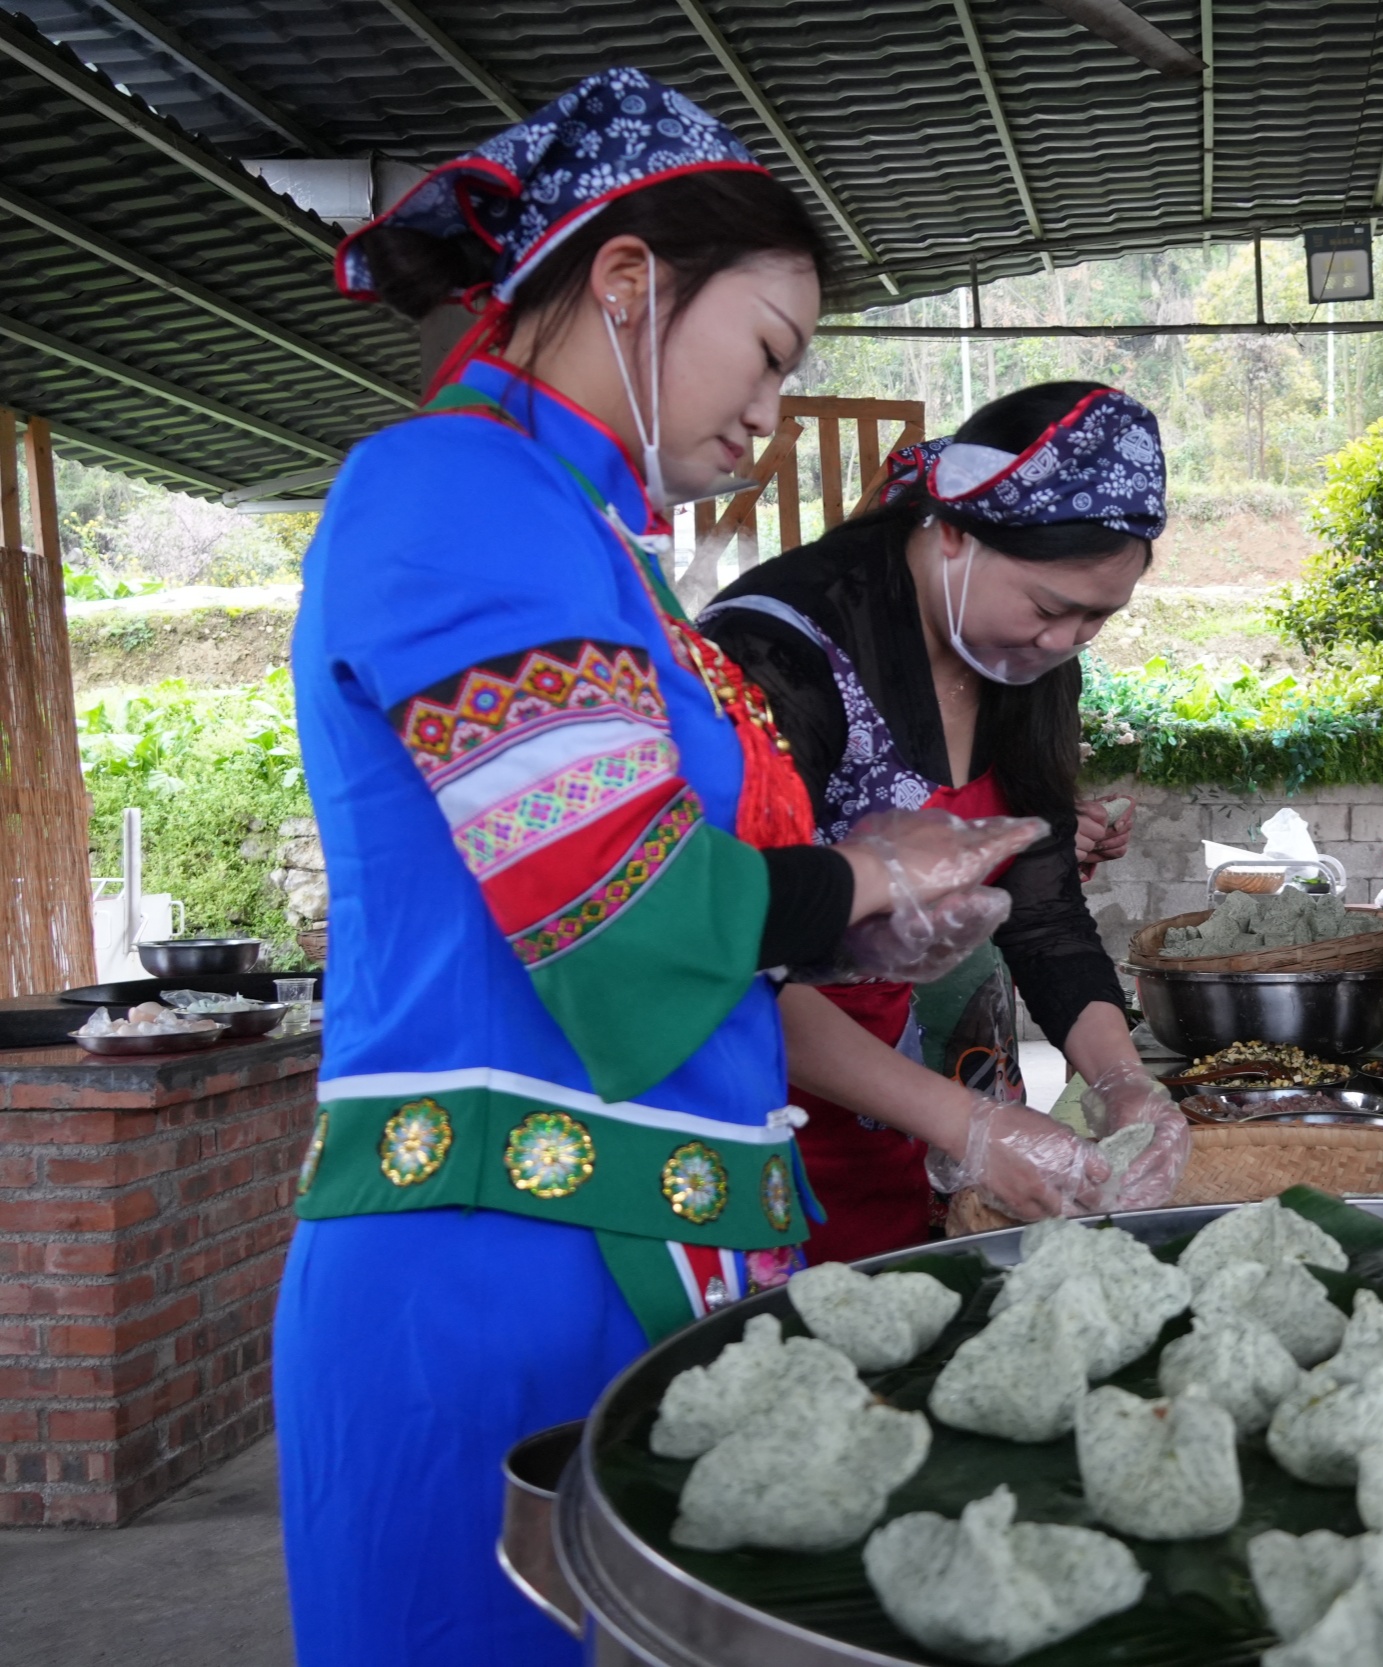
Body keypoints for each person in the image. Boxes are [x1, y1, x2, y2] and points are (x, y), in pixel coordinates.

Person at [277, 71, 1125, 1666]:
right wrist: (866, 878)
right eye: (768, 351)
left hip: (631, 1271)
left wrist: (867, 919)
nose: (770, 412)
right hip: (498, 1279)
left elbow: (688, 912)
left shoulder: (595, 550)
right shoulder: (454, 491)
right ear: (627, 281)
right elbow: (621, 920)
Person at [701, 380, 1188, 1262]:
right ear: (955, 531)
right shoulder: (781, 653)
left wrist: (1122, 1081)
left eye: (1098, 619)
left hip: (895, 1091)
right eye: (1047, 607)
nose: (1063, 643)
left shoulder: (1025, 658)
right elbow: (729, 949)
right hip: (742, 1104)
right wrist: (968, 1125)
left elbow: (1042, 912)